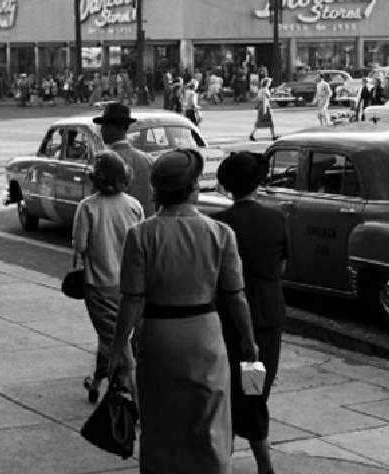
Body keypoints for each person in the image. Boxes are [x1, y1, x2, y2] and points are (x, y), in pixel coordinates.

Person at [109, 149, 258, 474]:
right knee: (209, 418)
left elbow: (132, 300)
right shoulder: (220, 234)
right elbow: (236, 297)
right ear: (193, 188)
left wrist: (118, 349)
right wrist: (248, 340)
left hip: (158, 335)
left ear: (158, 191)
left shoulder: (141, 235)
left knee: (160, 418)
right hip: (204, 332)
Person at [211, 152, 288, 474]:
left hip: (227, 319)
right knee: (254, 389)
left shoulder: (218, 224)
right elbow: (282, 266)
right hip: (265, 316)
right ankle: (264, 465)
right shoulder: (276, 219)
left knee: (226, 390)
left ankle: (223, 457)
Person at [72, 152, 144, 404]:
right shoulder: (134, 206)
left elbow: (80, 245)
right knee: (114, 337)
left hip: (99, 285)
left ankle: (133, 399)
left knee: (116, 340)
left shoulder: (88, 207)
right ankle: (98, 380)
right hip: (131, 284)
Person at [93, 103, 155, 218]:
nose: (101, 131)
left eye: (104, 126)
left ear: (113, 128)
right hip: (144, 226)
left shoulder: (104, 161)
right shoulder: (147, 160)